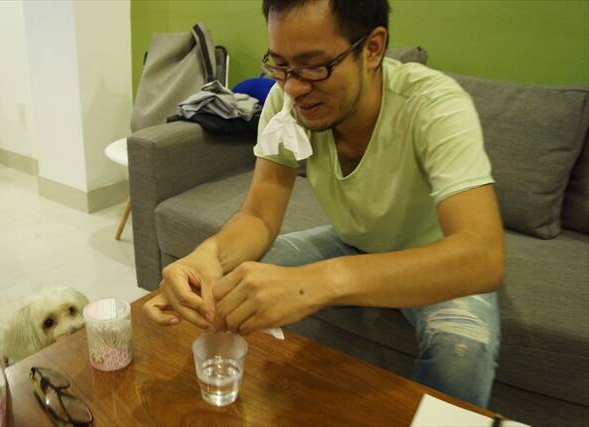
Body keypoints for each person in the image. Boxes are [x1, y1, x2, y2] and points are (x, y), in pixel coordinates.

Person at [145, 0, 505, 408]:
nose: (293, 87)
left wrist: (319, 283)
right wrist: (207, 257)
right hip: (352, 241)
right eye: (280, 65)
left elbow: (482, 256)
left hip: (433, 253)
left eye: (314, 66)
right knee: (235, 283)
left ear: (373, 49)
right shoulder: (285, 103)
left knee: (463, 348)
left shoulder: (434, 105)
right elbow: (259, 216)